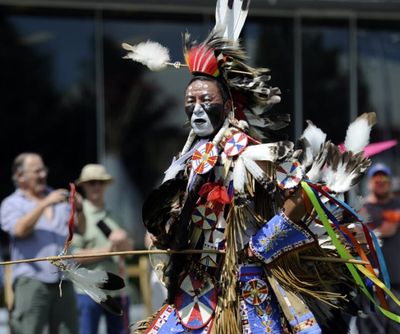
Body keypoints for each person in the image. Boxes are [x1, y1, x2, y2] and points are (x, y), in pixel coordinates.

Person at [124, 2, 399, 333]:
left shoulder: (249, 153)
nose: (196, 109)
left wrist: (263, 244)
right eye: (190, 102)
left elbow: (305, 194)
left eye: (206, 101)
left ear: (226, 106)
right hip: (197, 289)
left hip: (248, 289)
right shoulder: (186, 163)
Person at [0, 152, 83, 334]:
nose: (43, 175)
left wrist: (80, 208)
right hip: (31, 281)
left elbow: (80, 229)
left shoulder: (58, 199)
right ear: (20, 176)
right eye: (37, 171)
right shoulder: (11, 204)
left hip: (64, 280)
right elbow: (19, 230)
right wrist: (44, 204)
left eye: (43, 170)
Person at [73, 163, 133, 334]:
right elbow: (74, 256)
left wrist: (123, 242)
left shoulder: (114, 215)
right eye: (92, 182)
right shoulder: (77, 216)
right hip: (88, 291)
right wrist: (110, 250)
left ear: (106, 185)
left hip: (118, 290)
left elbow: (129, 253)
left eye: (101, 182)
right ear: (83, 185)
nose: (97, 186)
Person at [357, 163, 400, 334]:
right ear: (370, 183)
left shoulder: (397, 204)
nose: (380, 181)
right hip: (376, 283)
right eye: (376, 178)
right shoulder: (364, 210)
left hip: (398, 283)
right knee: (374, 330)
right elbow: (367, 234)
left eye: (384, 178)